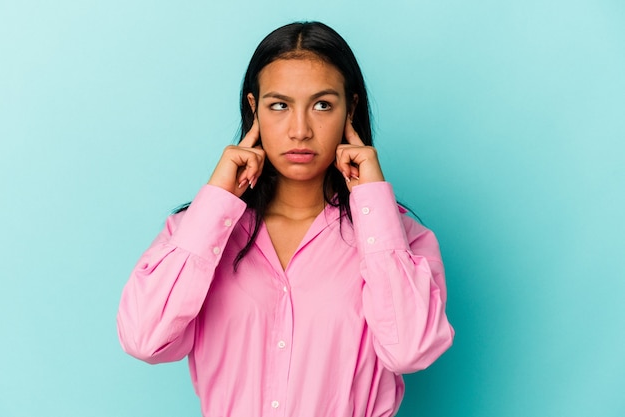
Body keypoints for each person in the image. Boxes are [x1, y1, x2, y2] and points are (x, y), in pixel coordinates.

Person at [117, 21, 454, 417]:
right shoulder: (196, 234)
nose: (300, 130)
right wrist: (217, 201)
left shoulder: (402, 241)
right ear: (253, 108)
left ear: (352, 108)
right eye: (279, 105)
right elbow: (145, 339)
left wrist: (372, 203)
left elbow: (410, 351)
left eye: (322, 105)